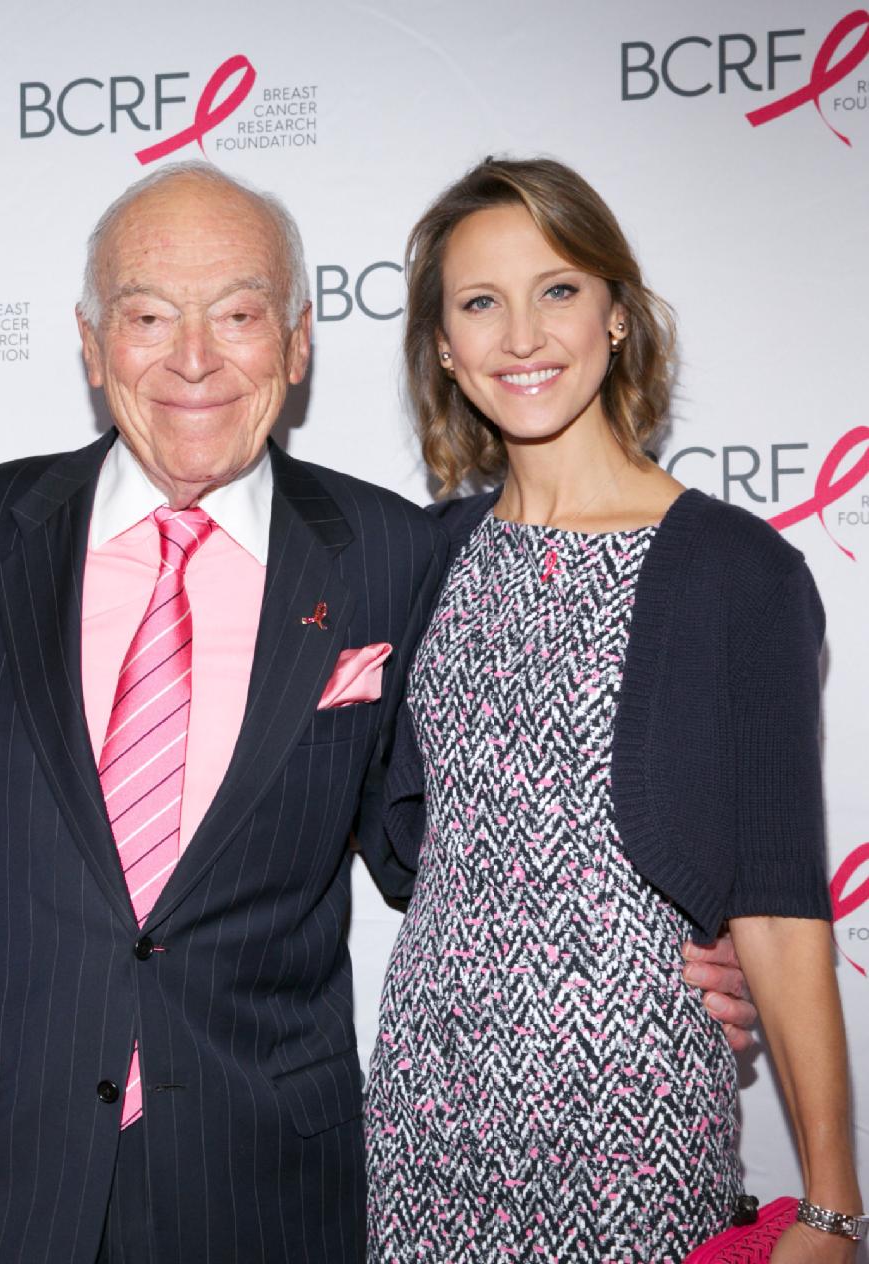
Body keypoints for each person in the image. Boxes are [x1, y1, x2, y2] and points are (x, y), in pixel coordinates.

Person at [0, 161, 755, 1264]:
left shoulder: (394, 552)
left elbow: (452, 848)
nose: (192, 357)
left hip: (259, 1179)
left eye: (238, 314)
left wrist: (656, 946)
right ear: (93, 345)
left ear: (297, 344)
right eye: (148, 315)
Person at [365, 157, 863, 1262]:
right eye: (479, 303)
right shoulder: (424, 558)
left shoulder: (737, 570)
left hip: (630, 1108)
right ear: (443, 348)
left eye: (557, 289)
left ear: (618, 315)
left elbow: (779, 900)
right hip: (424, 1099)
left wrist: (831, 1204)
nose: (521, 336)